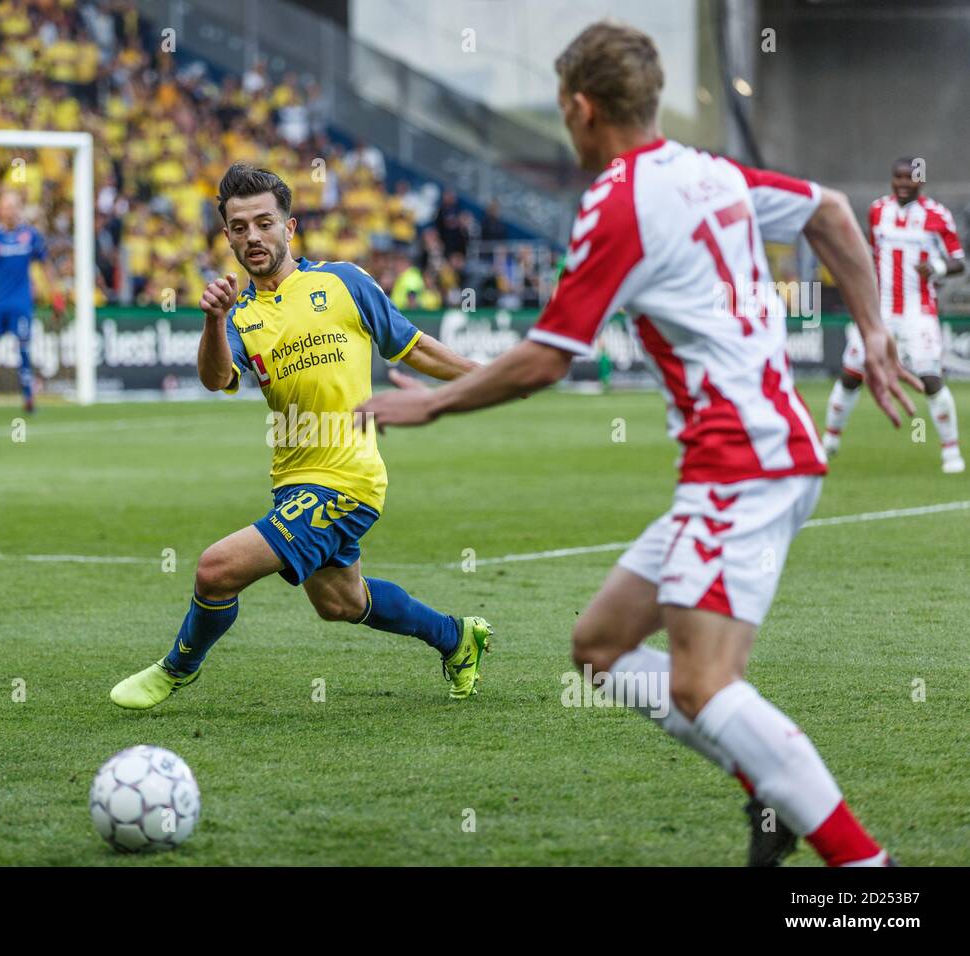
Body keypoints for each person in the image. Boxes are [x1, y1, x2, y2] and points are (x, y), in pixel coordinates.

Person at [358, 22, 916, 866]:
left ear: (583, 109)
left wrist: (434, 405)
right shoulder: (710, 172)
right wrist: (871, 328)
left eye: (561, 109)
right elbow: (832, 212)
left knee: (701, 683)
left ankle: (867, 875)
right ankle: (769, 791)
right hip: (757, 456)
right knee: (601, 646)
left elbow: (546, 358)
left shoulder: (618, 203)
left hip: (743, 462)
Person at [110, 162, 490, 710]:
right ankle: (458, 639)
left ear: (289, 228)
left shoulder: (343, 283)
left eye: (264, 223)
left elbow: (417, 347)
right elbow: (218, 379)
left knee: (215, 570)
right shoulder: (240, 317)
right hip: (293, 481)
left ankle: (176, 670)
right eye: (239, 227)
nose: (253, 237)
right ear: (227, 236)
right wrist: (214, 321)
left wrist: (492, 378)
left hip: (348, 480)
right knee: (342, 602)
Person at [823, 157, 965, 472]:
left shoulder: (937, 216)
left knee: (929, 378)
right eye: (898, 178)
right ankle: (829, 440)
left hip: (919, 309)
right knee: (851, 375)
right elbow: (869, 255)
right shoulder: (877, 211)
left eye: (909, 179)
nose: (902, 184)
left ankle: (951, 452)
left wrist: (937, 268)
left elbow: (958, 261)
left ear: (921, 182)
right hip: (879, 310)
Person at [0, 189, 63, 414]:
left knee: (24, 351)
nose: (9, 211)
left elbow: (46, 266)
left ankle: (29, 399)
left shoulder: (31, 236)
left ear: (19, 209)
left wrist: (55, 296)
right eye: (6, 207)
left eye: (13, 207)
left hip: (21, 304)